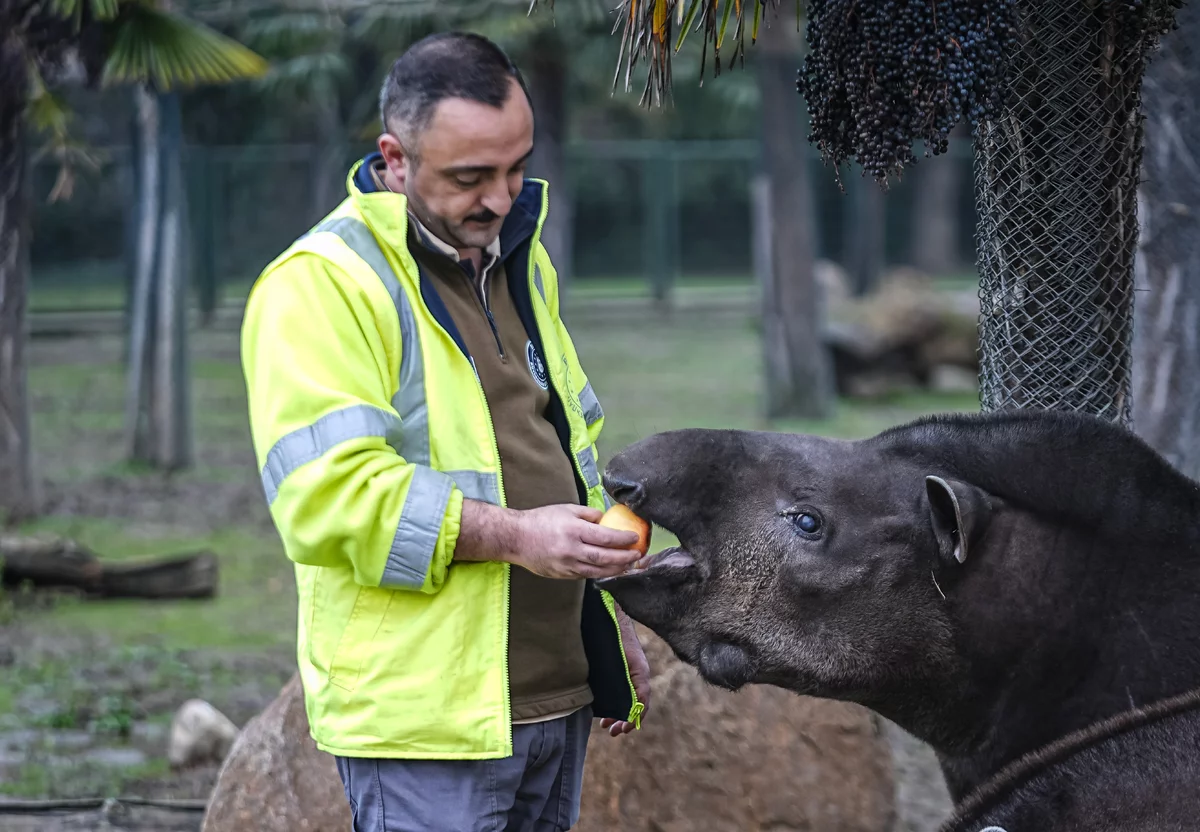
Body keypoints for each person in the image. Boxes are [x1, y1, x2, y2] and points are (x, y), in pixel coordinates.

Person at [240, 30, 652, 832]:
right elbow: (328, 496)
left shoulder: (518, 259)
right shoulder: (323, 284)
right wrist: (517, 537)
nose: (500, 197)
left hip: (551, 699)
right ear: (395, 159)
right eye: (470, 176)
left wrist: (608, 617)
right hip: (424, 724)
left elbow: (565, 452)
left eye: (515, 166)